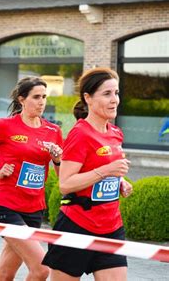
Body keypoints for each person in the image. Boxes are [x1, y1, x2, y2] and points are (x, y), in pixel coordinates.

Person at [42, 67, 133, 280]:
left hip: (111, 227)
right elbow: (66, 183)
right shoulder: (80, 134)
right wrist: (106, 171)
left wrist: (119, 181)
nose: (114, 100)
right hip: (77, 227)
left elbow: (106, 169)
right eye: (107, 94)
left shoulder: (115, 133)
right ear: (88, 98)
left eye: (117, 93)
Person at [0, 77, 63, 281]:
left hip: (34, 208)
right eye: (36, 97)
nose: (41, 102)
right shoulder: (6, 126)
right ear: (22, 99)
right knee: (42, 269)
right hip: (6, 204)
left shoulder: (54, 131)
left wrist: (57, 160)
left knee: (4, 274)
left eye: (44, 97)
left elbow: (62, 177)